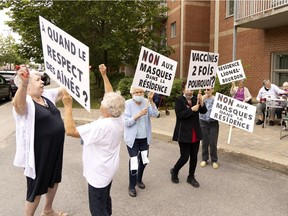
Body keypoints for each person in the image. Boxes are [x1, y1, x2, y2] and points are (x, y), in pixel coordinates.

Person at [62, 64, 125, 216]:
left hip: (98, 174)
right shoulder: (120, 116)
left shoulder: (101, 125)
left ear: (107, 110)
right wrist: (104, 75)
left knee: (97, 209)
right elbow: (110, 94)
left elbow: (70, 131)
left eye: (102, 104)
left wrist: (68, 106)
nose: (101, 104)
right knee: (105, 199)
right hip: (108, 170)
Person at [12, 66, 67, 216]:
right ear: (27, 85)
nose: (42, 82)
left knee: (54, 180)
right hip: (38, 153)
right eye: (38, 80)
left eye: (41, 79)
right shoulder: (27, 102)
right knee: (36, 188)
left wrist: (80, 74)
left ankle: (48, 210)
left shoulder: (46, 95)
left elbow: (64, 90)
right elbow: (18, 106)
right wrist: (22, 84)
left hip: (55, 148)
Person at [170, 80, 207, 188]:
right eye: (188, 89)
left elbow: (203, 111)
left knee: (194, 156)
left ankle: (191, 177)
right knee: (185, 157)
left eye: (191, 89)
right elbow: (179, 115)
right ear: (183, 89)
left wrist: (201, 102)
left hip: (195, 132)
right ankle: (174, 171)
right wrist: (191, 109)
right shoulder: (179, 100)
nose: (190, 91)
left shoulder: (196, 99)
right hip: (184, 133)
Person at [124, 86, 159, 197]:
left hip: (144, 138)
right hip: (133, 139)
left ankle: (139, 179)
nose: (139, 94)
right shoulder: (128, 104)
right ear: (132, 94)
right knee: (134, 162)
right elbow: (126, 122)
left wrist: (151, 101)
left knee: (144, 161)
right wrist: (138, 115)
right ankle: (132, 186)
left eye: (141, 92)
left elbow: (155, 114)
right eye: (136, 92)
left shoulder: (146, 101)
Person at [199, 88, 219, 169]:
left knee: (213, 142)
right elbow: (197, 107)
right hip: (203, 121)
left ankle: (214, 160)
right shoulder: (201, 98)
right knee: (204, 141)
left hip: (213, 123)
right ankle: (204, 159)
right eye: (205, 90)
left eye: (208, 89)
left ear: (212, 90)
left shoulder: (216, 99)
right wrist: (201, 100)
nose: (207, 91)